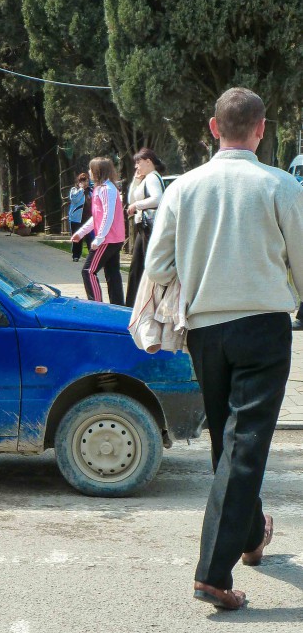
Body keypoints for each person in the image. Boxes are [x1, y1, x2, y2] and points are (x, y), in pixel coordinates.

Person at [145, 87, 303, 611]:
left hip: (205, 331)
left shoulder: (183, 188)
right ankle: (212, 575)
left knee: (230, 442)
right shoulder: (281, 186)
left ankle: (252, 534)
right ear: (262, 129)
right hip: (263, 326)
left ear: (214, 128)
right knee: (245, 444)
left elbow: (157, 267)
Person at [70, 157, 125, 305]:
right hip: (112, 238)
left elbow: (108, 215)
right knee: (112, 273)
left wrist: (99, 237)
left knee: (88, 271)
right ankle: (118, 307)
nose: (89, 172)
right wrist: (81, 232)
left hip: (108, 239)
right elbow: (97, 217)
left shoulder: (106, 189)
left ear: (98, 171)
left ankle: (97, 306)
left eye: (91, 169)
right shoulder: (101, 188)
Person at [124, 148, 165, 306]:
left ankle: (139, 303)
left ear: (148, 161)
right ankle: (134, 303)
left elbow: (157, 198)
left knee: (143, 266)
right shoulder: (147, 178)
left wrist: (137, 205)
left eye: (138, 162)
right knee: (137, 266)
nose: (136, 166)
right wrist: (135, 180)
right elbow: (131, 199)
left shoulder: (152, 177)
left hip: (148, 228)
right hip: (144, 228)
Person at [68, 173, 93, 261]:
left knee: (90, 238)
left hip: (88, 218)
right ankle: (76, 255)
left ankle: (92, 256)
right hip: (77, 218)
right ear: (79, 182)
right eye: (83, 181)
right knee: (77, 237)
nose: (85, 183)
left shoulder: (91, 191)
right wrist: (81, 190)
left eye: (86, 181)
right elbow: (75, 200)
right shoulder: (74, 190)